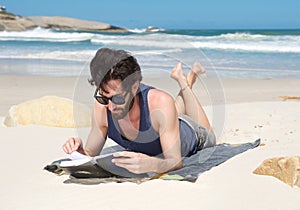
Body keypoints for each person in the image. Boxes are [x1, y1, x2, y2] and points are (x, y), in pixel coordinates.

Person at [62, 48, 216, 175]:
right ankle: (184, 78)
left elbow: (175, 162)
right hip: (163, 120)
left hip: (194, 133)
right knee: (169, 112)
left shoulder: (160, 102)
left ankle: (185, 80)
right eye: (104, 97)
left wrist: (152, 164)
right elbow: (90, 154)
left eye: (117, 99)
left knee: (211, 137)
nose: (109, 107)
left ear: (134, 87)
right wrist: (80, 151)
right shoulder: (102, 106)